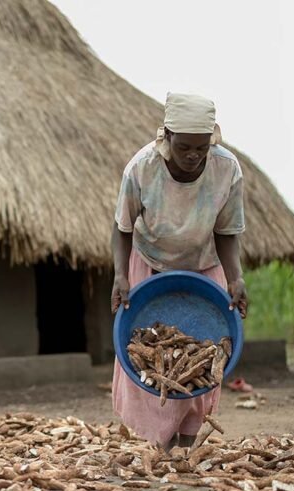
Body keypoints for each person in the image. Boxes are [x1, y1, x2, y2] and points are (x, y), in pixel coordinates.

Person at [110, 92, 248, 450]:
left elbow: (227, 232)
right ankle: (155, 445)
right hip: (150, 265)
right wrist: (121, 275)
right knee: (147, 356)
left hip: (204, 268)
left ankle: (188, 443)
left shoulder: (226, 169)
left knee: (204, 355)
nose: (193, 156)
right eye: (185, 146)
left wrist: (235, 278)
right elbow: (123, 227)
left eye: (201, 149)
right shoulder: (141, 168)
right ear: (166, 136)